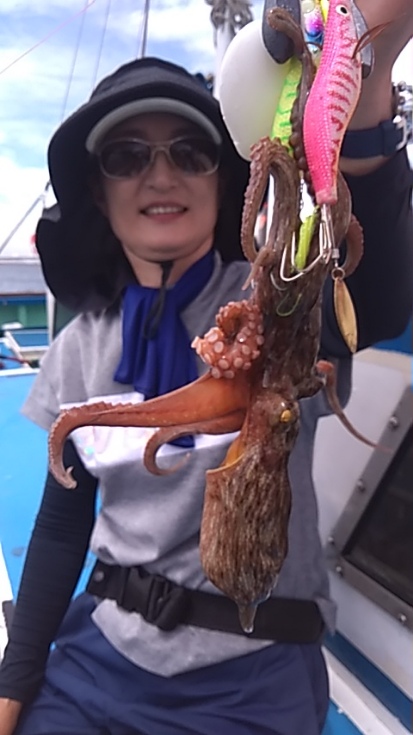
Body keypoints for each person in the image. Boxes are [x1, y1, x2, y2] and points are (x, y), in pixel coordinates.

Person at [0, 1, 412, 732]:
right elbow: (63, 524)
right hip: (100, 653)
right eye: (127, 156)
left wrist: (366, 78)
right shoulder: (77, 347)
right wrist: (16, 681)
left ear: (224, 178)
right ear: (98, 188)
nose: (161, 175)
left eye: (190, 151)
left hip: (256, 668)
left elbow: (371, 301)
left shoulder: (273, 301)